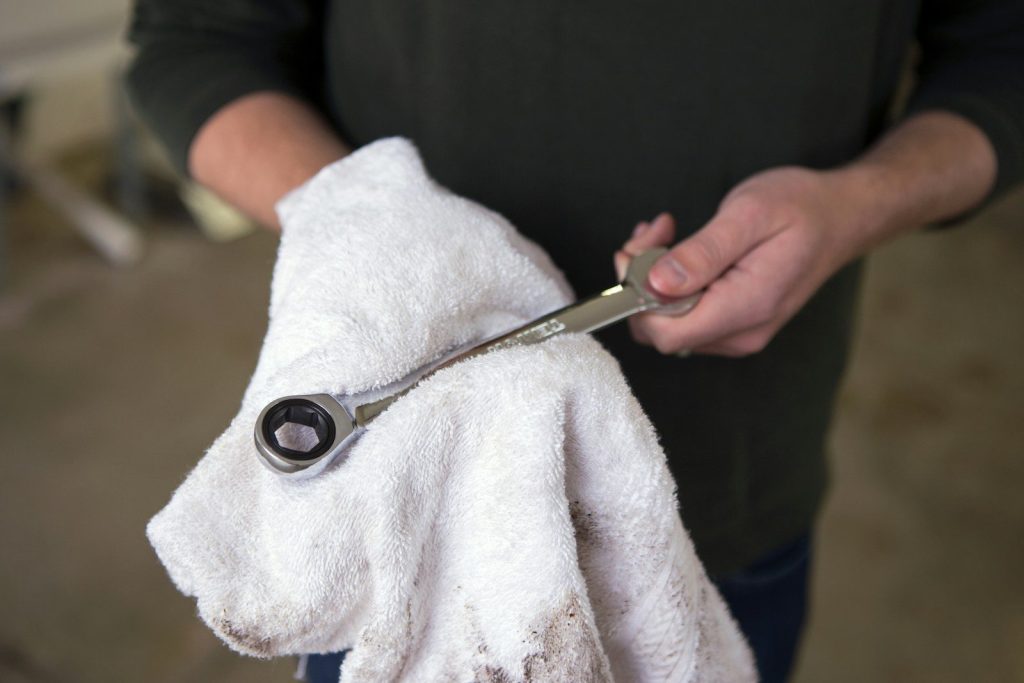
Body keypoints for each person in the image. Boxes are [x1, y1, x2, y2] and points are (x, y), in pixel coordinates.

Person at [126, 2, 1024, 681]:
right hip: (401, 519)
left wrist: (858, 202)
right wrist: (376, 219)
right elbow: (194, 42)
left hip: (735, 487)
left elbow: (1004, 52)